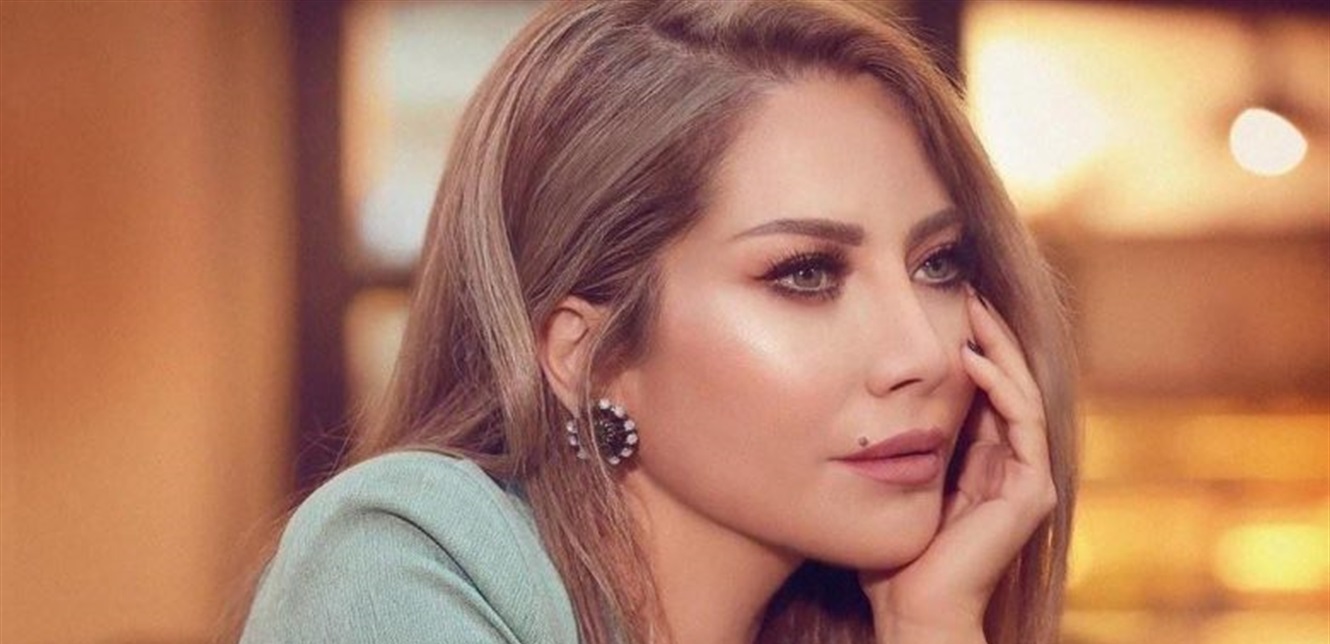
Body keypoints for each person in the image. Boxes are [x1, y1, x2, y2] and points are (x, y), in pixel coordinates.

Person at [239, 1, 1079, 643]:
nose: (925, 351)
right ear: (588, 354)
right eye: (806, 274)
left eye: (938, 264)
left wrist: (931, 625)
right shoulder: (408, 555)